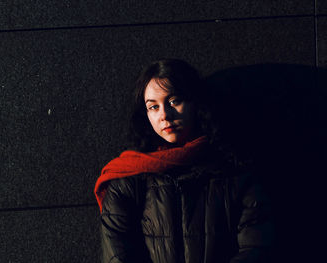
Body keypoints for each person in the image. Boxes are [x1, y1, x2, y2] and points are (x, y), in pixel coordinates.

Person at [94, 59, 274, 263]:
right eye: (153, 107)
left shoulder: (235, 171)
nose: (164, 115)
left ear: (196, 102)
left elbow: (256, 249)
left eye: (173, 101)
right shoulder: (127, 179)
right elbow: (118, 257)